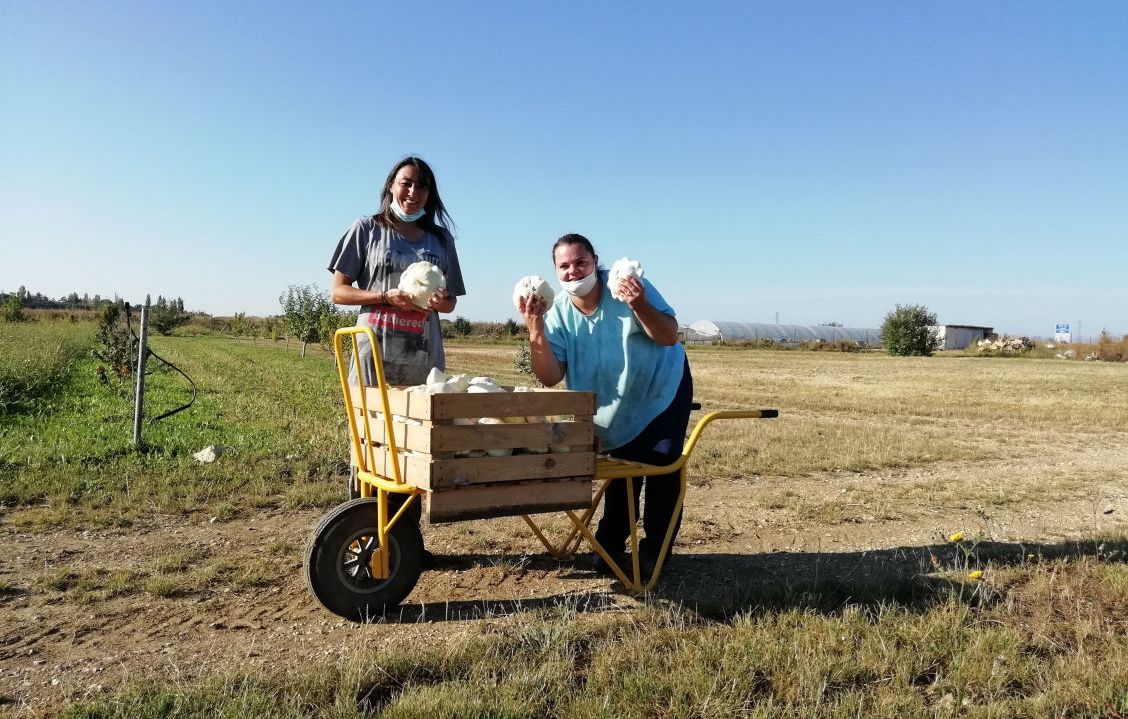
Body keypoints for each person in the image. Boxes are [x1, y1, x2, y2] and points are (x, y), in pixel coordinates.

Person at [518, 234, 693, 577]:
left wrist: (639, 304)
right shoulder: (557, 313)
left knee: (660, 468)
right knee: (622, 473)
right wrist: (534, 328)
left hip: (660, 391)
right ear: (555, 271)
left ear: (594, 261)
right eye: (564, 266)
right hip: (612, 406)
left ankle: (654, 554)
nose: (573, 272)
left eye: (580, 263)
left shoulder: (627, 286)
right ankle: (610, 545)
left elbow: (669, 335)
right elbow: (550, 376)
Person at [328, 156, 466, 499]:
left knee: (414, 447)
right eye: (406, 182)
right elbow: (338, 292)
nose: (413, 192)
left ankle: (407, 544)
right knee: (369, 445)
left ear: (429, 194)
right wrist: (385, 296)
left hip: (422, 358)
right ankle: (367, 536)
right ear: (391, 185)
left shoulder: (441, 239)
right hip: (374, 356)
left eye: (421, 186)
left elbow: (451, 303)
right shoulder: (367, 229)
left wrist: (441, 302)